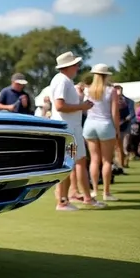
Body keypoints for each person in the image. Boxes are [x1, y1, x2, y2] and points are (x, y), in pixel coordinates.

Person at [48, 52, 104, 211]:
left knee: (75, 162)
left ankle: (73, 198)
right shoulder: (62, 81)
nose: (78, 67)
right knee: (70, 163)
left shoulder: (65, 81)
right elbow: (60, 106)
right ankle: (64, 201)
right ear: (68, 66)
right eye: (75, 64)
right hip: (68, 129)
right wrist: (82, 106)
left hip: (71, 128)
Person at [82, 64, 119, 202]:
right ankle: (106, 192)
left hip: (90, 125)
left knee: (94, 160)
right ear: (106, 75)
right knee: (106, 161)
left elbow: (86, 110)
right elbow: (115, 112)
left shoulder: (88, 90)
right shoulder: (111, 90)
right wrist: (117, 129)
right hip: (105, 125)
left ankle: (95, 191)